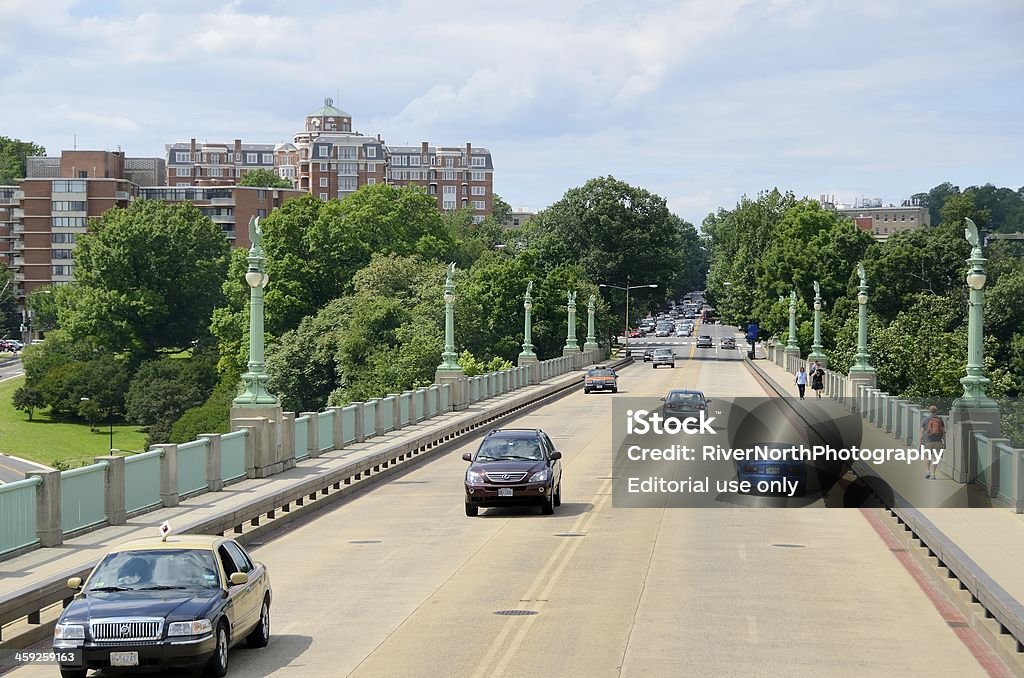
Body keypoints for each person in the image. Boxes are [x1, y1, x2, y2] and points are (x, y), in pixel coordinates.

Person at [920, 405, 946, 479]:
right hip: (938, 441)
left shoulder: (925, 419)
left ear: (929, 411)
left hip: (928, 440)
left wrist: (920, 442)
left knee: (927, 456)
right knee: (935, 458)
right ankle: (933, 474)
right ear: (936, 411)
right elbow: (943, 433)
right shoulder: (940, 420)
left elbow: (921, 431)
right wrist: (945, 443)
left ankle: (927, 471)